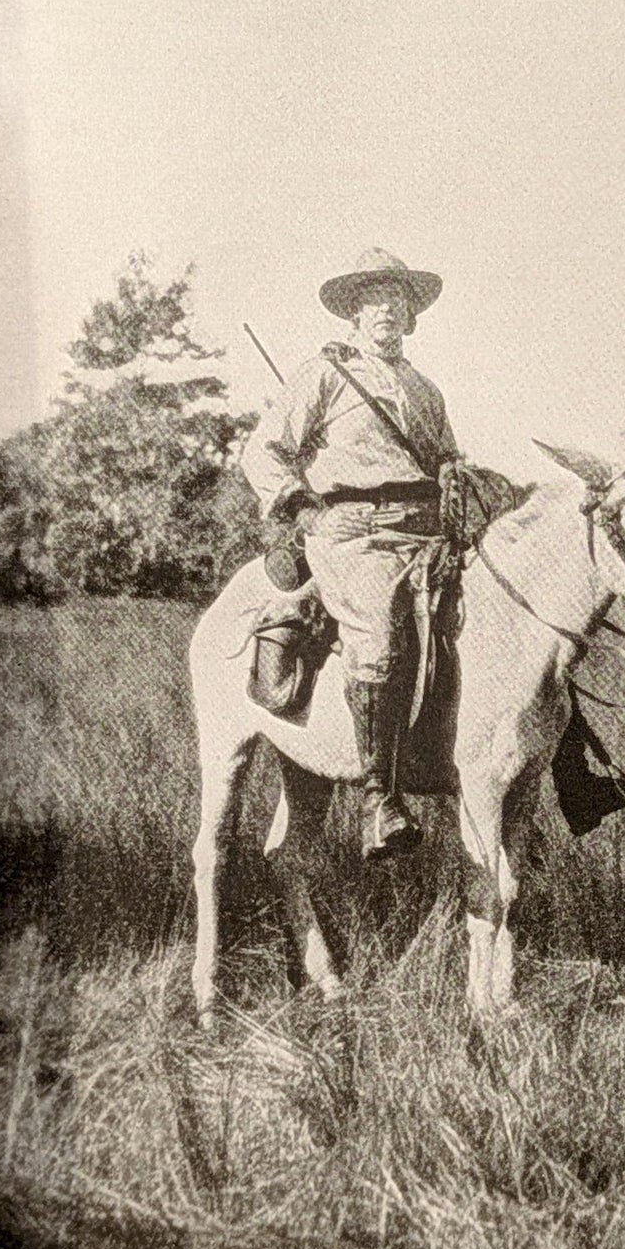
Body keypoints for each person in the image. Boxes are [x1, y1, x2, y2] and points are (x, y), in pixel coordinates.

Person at [242, 248, 458, 860]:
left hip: (427, 529)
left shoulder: (424, 387)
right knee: (379, 637)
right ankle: (379, 800)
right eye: (374, 298)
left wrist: (462, 477)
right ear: (354, 314)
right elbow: (264, 451)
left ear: (413, 314)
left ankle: (578, 778)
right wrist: (300, 507)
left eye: (398, 298)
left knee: (517, 621)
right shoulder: (323, 375)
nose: (387, 308)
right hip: (352, 533)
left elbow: (444, 458)